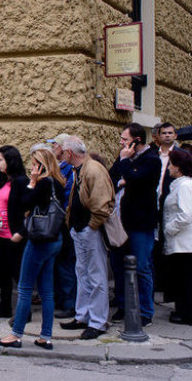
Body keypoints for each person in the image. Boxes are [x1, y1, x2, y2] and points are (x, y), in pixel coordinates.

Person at [0, 148, 66, 350]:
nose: (31, 167)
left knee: (25, 288)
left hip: (39, 240)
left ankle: (16, 334)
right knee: (46, 290)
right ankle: (46, 336)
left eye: (34, 164)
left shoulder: (43, 183)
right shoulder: (58, 183)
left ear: (41, 165)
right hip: (55, 238)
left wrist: (32, 181)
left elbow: (25, 202)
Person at [60, 136, 115, 340]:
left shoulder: (92, 170)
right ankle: (82, 316)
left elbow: (102, 204)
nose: (62, 154)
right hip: (80, 228)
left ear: (70, 153)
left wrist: (91, 226)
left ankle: (98, 322)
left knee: (96, 275)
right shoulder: (81, 169)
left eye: (63, 151)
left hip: (89, 230)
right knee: (82, 273)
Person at [108, 122, 161, 325]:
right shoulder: (124, 158)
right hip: (121, 220)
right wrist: (123, 175)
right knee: (119, 265)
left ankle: (146, 311)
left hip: (141, 221)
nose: (121, 143)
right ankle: (122, 305)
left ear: (136, 141)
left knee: (141, 266)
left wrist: (125, 165)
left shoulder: (151, 160)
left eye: (125, 140)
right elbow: (112, 178)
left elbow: (136, 179)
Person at [163, 150, 192, 325]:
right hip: (182, 238)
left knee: (184, 279)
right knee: (182, 278)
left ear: (178, 167)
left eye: (171, 164)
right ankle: (183, 311)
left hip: (183, 239)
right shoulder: (182, 183)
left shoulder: (185, 185)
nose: (169, 167)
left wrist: (169, 229)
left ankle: (187, 314)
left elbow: (186, 215)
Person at [0, 145, 29, 318]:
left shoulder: (21, 181)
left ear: (10, 161)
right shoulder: (2, 179)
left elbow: (27, 208)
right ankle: (4, 308)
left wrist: (20, 233)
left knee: (18, 275)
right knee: (3, 274)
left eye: (0, 160)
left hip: (14, 236)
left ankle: (24, 312)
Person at [46, 133, 77, 319]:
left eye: (55, 146)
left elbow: (66, 195)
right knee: (59, 263)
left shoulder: (68, 170)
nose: (52, 149)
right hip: (58, 222)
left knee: (66, 264)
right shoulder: (60, 168)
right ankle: (61, 299)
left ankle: (69, 303)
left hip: (64, 222)